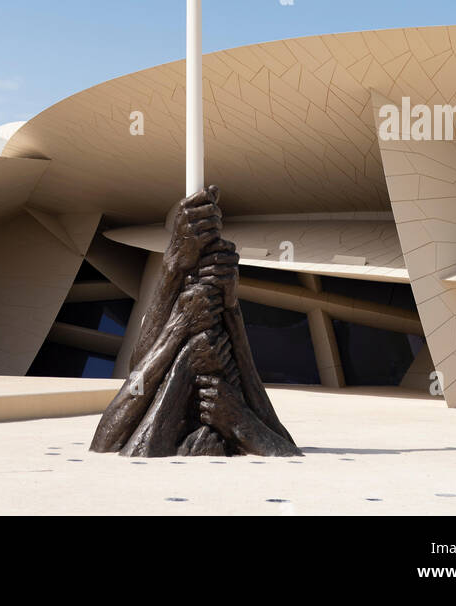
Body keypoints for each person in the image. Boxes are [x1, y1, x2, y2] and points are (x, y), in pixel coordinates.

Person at [90, 186, 300, 457]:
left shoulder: (217, 406)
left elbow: (282, 445)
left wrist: (222, 313)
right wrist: (178, 280)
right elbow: (113, 437)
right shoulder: (203, 397)